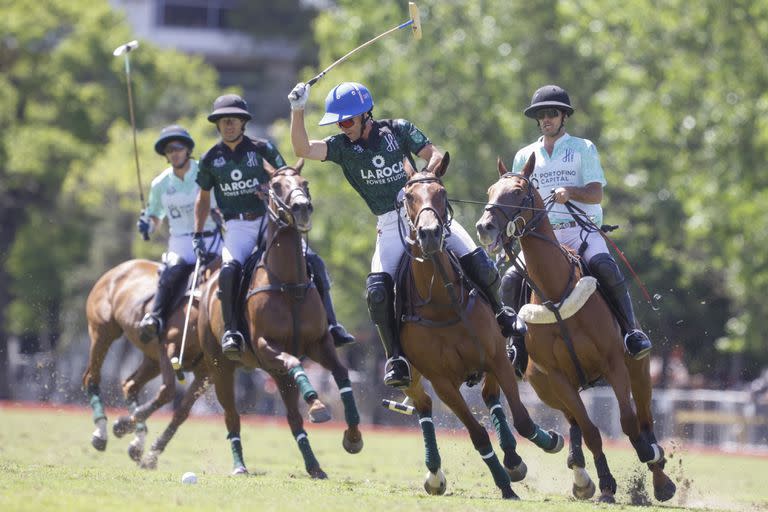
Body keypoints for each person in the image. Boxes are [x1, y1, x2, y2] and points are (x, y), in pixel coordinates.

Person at [287, 81, 524, 389]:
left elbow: (434, 154)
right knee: (378, 291)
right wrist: (297, 109)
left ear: (365, 115)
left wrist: (425, 181)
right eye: (339, 123)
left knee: (480, 263)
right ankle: (396, 357)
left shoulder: (397, 130)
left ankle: (502, 316)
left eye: (346, 121)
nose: (343, 128)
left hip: (424, 211)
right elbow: (302, 149)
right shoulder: (342, 148)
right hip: (388, 224)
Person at [501, 84, 652, 369]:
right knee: (510, 279)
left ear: (563, 116)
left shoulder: (583, 148)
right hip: (542, 237)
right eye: (541, 114)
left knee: (605, 266)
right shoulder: (524, 156)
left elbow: (596, 194)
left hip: (580, 230)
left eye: (552, 113)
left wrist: (570, 191)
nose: (546, 119)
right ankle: (516, 346)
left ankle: (632, 331)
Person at [193, 93, 354, 360]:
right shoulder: (210, 158)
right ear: (218, 125)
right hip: (238, 226)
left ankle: (332, 325)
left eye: (233, 120)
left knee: (313, 260)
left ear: (243, 123)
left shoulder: (262, 148)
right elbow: (203, 197)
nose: (229, 125)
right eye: (223, 121)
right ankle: (232, 331)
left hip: (272, 221)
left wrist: (269, 189)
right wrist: (199, 233)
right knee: (229, 270)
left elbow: (288, 176)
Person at [137, 125, 222, 343]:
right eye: (169, 150)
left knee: (231, 271)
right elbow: (155, 215)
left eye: (178, 147)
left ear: (187, 149)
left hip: (211, 238)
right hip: (181, 242)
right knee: (171, 272)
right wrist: (148, 226)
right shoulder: (160, 184)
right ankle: (155, 318)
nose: (174, 153)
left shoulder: (205, 172)